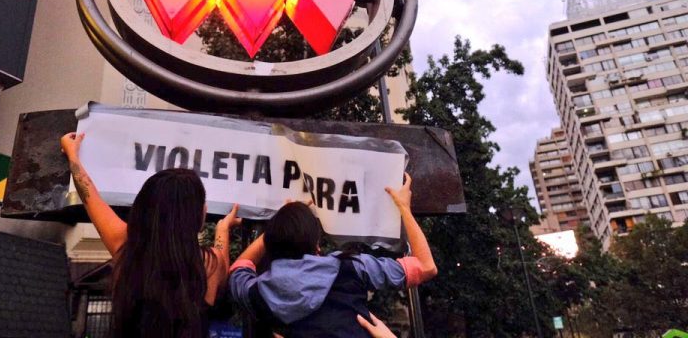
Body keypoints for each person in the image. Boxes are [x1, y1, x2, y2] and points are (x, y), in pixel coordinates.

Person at [61, 132, 241, 338]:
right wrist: (223, 229)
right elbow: (221, 260)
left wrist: (73, 155)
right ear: (196, 217)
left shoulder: (126, 247)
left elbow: (87, 193)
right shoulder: (209, 264)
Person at [228, 173, 437, 337]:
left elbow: (239, 268)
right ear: (316, 244)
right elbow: (425, 266)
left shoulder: (259, 293)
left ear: (271, 243)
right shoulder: (352, 267)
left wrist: (281, 224)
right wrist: (403, 208)